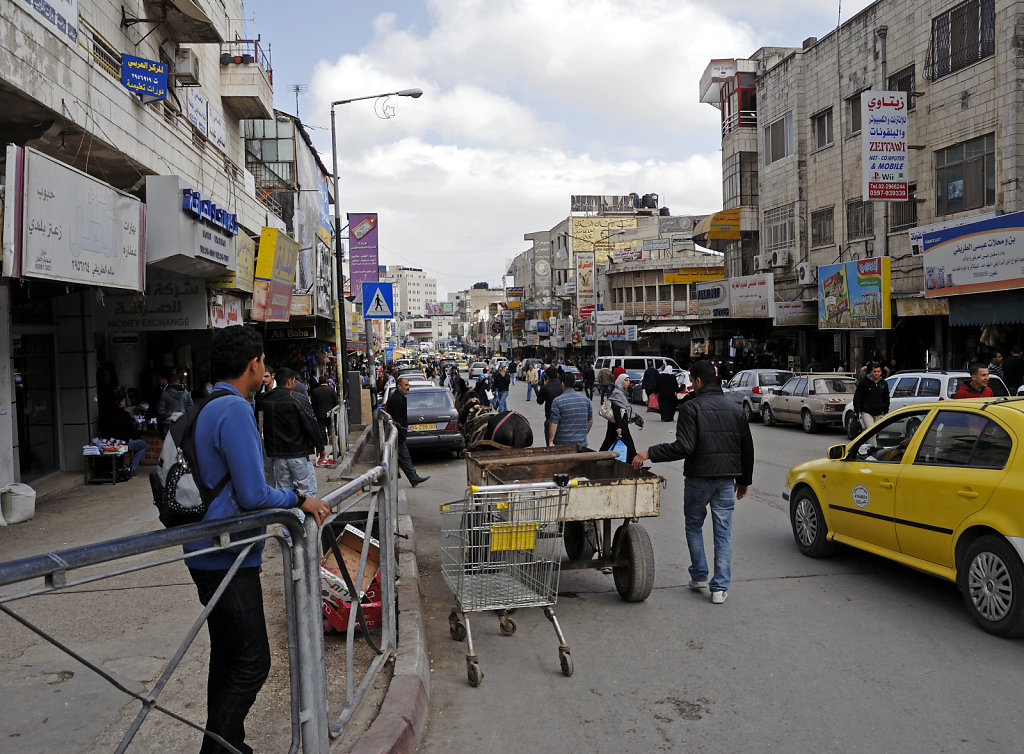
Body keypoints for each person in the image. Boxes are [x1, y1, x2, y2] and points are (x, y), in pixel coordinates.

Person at [186, 325, 329, 754]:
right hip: (223, 554)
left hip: (214, 550)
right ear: (253, 364)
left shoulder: (209, 403)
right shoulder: (233, 410)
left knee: (227, 657)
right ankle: (216, 751)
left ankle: (231, 745)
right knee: (252, 661)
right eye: (263, 362)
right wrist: (299, 498)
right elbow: (253, 494)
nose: (265, 368)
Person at [632, 360, 754, 605]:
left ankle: (699, 576)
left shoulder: (691, 408)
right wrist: (744, 481)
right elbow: (747, 448)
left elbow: (684, 447)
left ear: (697, 381)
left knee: (694, 527)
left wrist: (650, 453)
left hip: (698, 479)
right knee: (723, 534)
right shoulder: (736, 409)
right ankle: (719, 588)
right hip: (725, 481)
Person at [261, 367, 327, 503]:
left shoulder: (265, 400)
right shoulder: (298, 398)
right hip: (298, 454)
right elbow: (311, 424)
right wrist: (320, 447)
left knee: (285, 493)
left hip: (278, 456)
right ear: (290, 381)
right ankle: (305, 524)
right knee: (306, 492)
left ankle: (288, 524)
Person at [386, 377, 430, 487]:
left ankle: (413, 478)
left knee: (402, 458)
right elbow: (398, 420)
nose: (408, 387)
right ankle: (413, 478)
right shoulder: (397, 399)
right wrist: (401, 434)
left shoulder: (399, 397)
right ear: (399, 386)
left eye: (408, 385)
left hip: (397, 434)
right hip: (397, 434)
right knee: (404, 457)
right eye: (405, 385)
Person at [98, 387, 148, 476]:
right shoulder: (125, 415)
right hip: (121, 443)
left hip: (107, 442)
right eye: (124, 400)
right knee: (143, 445)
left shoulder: (105, 414)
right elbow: (133, 432)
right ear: (121, 402)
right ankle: (132, 469)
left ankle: (123, 466)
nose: (125, 402)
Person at [598, 373, 640, 462]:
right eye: (626, 380)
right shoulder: (618, 393)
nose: (628, 382)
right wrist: (619, 426)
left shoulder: (621, 392)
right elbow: (616, 410)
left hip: (617, 423)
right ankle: (634, 462)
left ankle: (597, 459)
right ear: (620, 381)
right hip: (619, 423)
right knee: (628, 443)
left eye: (629, 380)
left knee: (608, 442)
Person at [547, 371, 593, 446]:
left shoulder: (557, 401)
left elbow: (554, 423)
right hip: (581, 444)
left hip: (562, 444)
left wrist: (551, 441)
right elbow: (590, 421)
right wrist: (582, 435)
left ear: (562, 384)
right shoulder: (586, 400)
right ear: (574, 383)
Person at [310, 376, 339, 467]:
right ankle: (331, 436)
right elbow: (336, 402)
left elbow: (313, 403)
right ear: (326, 381)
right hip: (331, 412)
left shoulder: (315, 391)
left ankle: (323, 441)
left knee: (321, 428)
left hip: (319, 413)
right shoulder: (331, 390)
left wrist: (314, 412)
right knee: (330, 426)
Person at [853, 361, 890, 429]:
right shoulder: (864, 382)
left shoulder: (884, 383)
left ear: (881, 372)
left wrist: (885, 410)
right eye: (874, 371)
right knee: (871, 430)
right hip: (866, 412)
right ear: (871, 372)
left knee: (876, 432)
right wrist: (856, 411)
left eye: (878, 371)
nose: (876, 373)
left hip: (879, 412)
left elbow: (886, 397)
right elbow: (858, 396)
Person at [536, 367, 564, 441]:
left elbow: (539, 401)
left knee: (550, 444)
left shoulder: (545, 388)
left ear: (547, 376)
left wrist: (543, 386)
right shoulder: (562, 385)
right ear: (557, 374)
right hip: (563, 418)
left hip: (550, 418)